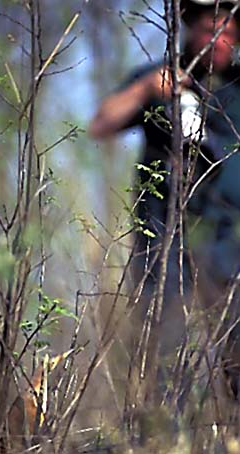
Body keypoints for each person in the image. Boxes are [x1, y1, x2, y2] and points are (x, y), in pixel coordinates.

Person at [89, 0, 240, 397]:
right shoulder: (160, 77)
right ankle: (166, 436)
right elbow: (100, 124)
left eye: (227, 31)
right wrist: (145, 90)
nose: (217, 40)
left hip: (231, 242)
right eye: (209, 29)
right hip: (165, 240)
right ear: (189, 28)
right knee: (168, 351)